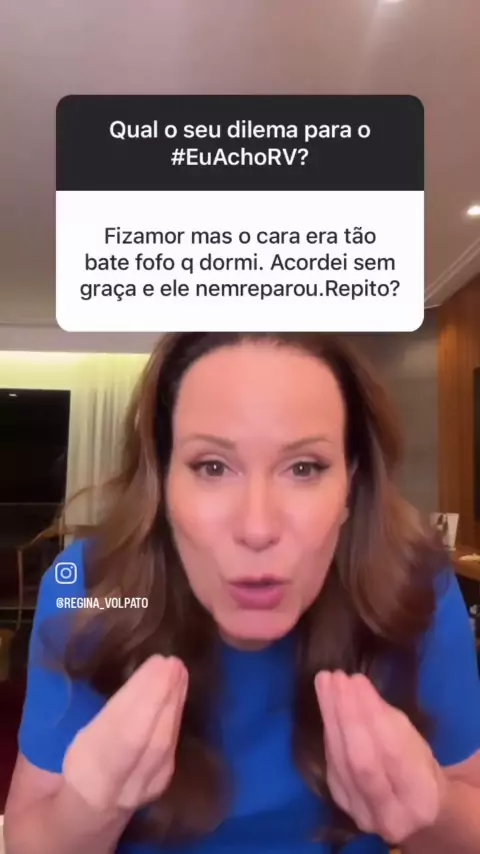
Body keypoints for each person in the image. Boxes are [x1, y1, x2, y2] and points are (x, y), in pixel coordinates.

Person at [5, 332, 480, 854]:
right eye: (212, 467)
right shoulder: (90, 588)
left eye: (304, 468)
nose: (257, 528)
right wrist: (89, 807)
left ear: (350, 485)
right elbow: (27, 841)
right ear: (162, 484)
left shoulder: (416, 582)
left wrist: (432, 810)